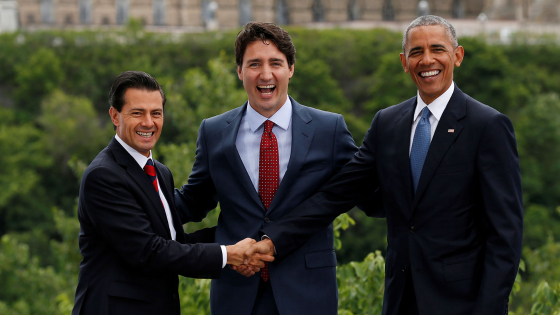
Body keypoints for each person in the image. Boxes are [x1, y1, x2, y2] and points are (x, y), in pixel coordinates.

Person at [247, 15, 523, 315]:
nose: (426, 60)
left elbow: (505, 234)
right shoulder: (387, 124)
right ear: (404, 62)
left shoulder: (488, 126)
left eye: (437, 49)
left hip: (464, 303)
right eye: (416, 52)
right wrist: (274, 239)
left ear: (457, 56)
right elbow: (337, 194)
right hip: (400, 299)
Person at [174, 22, 362, 315]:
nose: (265, 74)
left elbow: (359, 187)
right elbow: (194, 201)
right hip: (235, 293)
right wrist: (141, 198)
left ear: (291, 69)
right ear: (239, 71)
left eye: (275, 63)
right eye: (254, 64)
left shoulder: (329, 129)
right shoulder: (213, 132)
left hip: (308, 293)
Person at [72, 71, 272, 315]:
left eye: (156, 113)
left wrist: (244, 234)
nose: (149, 122)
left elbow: (175, 243)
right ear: (115, 115)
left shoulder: (160, 172)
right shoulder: (103, 176)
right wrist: (228, 254)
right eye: (137, 113)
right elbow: (150, 251)